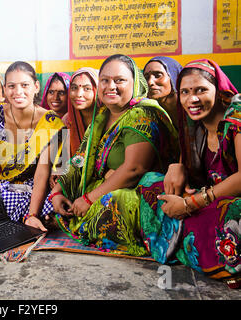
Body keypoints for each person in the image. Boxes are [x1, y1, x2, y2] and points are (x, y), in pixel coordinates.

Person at [46, 54, 179, 256]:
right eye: (105, 80)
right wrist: (57, 192)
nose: (111, 86)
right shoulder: (102, 117)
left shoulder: (141, 113)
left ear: (134, 83)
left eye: (119, 80)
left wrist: (89, 199)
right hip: (104, 187)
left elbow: (134, 169)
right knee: (71, 196)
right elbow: (79, 160)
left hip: (138, 192)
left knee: (115, 203)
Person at [138, 59, 240, 288]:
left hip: (231, 201)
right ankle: (192, 241)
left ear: (219, 90)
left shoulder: (237, 115)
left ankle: (197, 244)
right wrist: (178, 168)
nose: (192, 99)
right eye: (184, 92)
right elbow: (192, 174)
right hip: (210, 196)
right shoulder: (194, 124)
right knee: (150, 183)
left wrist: (189, 204)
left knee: (224, 215)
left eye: (201, 90)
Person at [0, 61, 65, 231]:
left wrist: (32, 214)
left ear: (36, 86)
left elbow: (42, 172)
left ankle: (33, 217)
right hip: (5, 188)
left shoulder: (50, 122)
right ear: (4, 89)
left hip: (38, 191)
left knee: (59, 204)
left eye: (25, 85)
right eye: (11, 86)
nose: (18, 92)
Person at [62, 67, 99, 156]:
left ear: (97, 91)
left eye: (87, 89)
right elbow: (62, 159)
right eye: (74, 88)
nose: (79, 94)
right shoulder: (67, 121)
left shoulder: (108, 119)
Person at [143, 56, 183, 128]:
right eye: (146, 78)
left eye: (158, 75)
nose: (150, 82)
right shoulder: (148, 114)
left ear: (174, 77)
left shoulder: (191, 109)